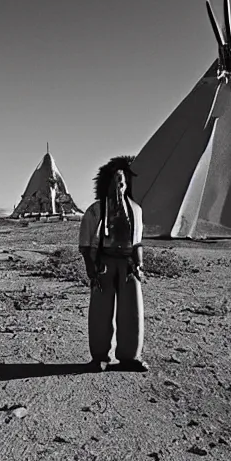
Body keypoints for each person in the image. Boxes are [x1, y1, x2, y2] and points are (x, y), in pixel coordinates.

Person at [78, 156, 148, 372]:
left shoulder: (136, 210)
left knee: (132, 311)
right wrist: (91, 267)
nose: (120, 185)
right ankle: (100, 355)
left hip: (128, 265)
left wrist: (139, 263)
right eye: (116, 181)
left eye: (123, 181)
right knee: (100, 311)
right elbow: (86, 242)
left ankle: (129, 356)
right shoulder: (95, 211)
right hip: (104, 263)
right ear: (106, 183)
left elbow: (137, 241)